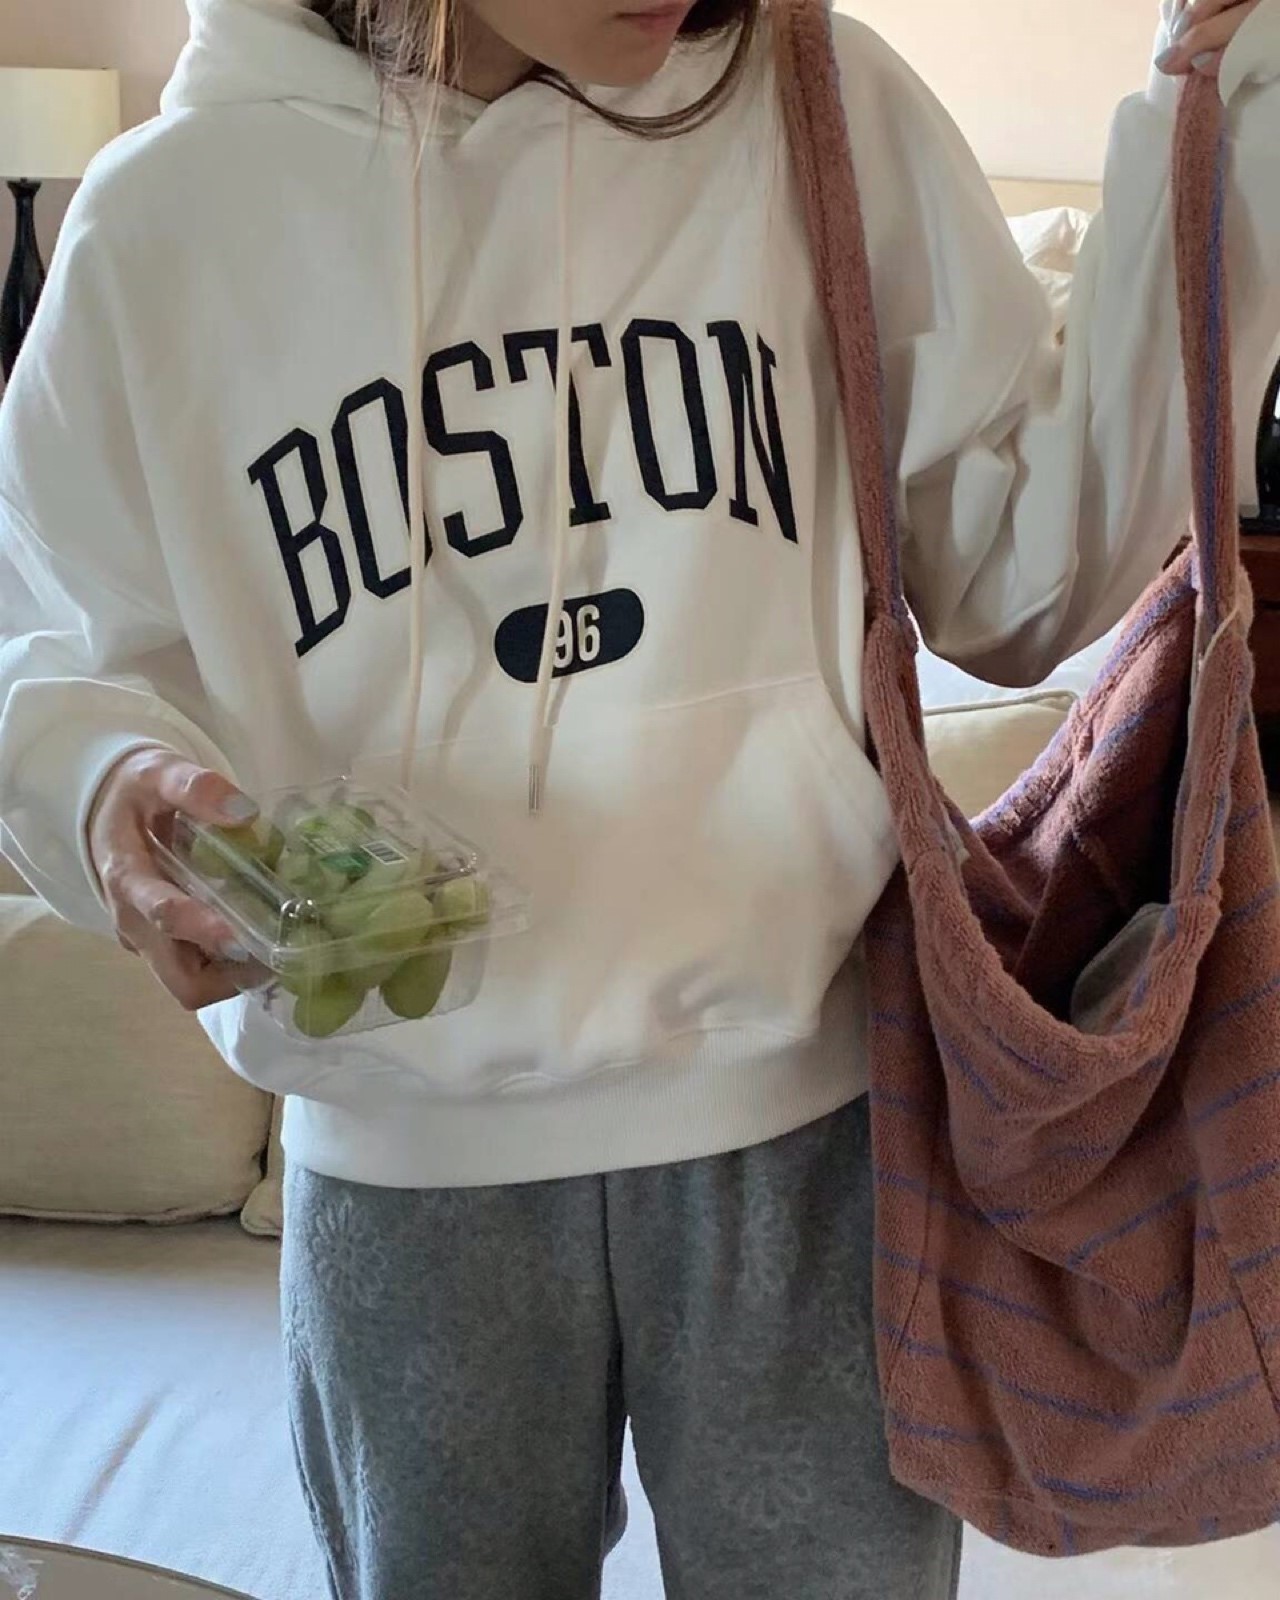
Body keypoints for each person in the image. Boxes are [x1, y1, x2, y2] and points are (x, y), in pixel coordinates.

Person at [1, 0, 1278, 1594]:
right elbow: (46, 643)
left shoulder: (820, 108)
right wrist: (109, 791)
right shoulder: (169, 220)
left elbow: (1028, 576)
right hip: (404, 1171)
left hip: (809, 1136)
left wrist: (1224, 102)